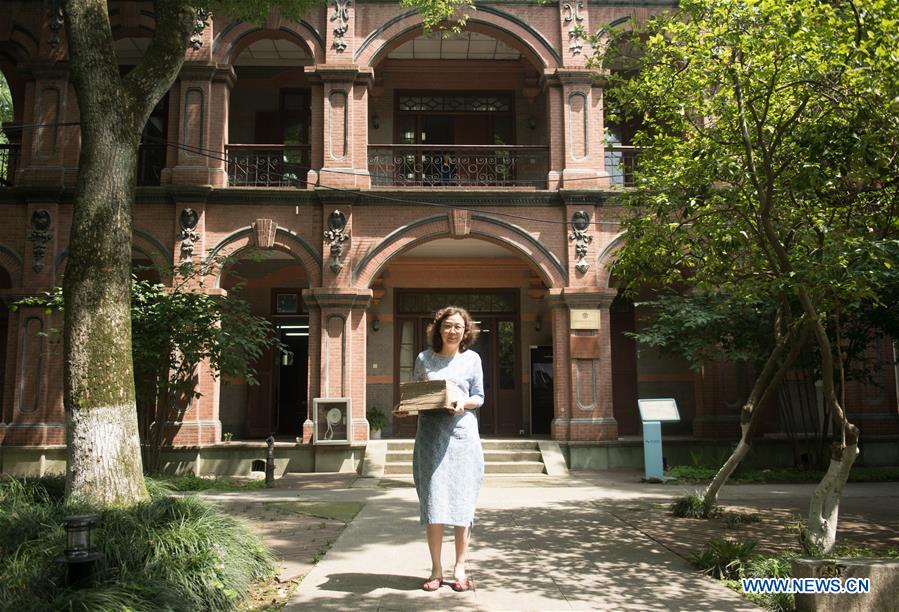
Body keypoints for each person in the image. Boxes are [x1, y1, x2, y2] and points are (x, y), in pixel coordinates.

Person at [396, 305, 484, 593]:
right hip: (430, 437)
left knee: (461, 502)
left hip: (462, 436)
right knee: (434, 504)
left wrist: (464, 403)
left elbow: (479, 397)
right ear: (438, 328)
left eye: (458, 326)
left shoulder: (472, 359)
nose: (453, 330)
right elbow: (416, 393)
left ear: (465, 330)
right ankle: (436, 570)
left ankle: (459, 567)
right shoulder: (424, 359)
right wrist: (404, 408)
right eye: (447, 325)